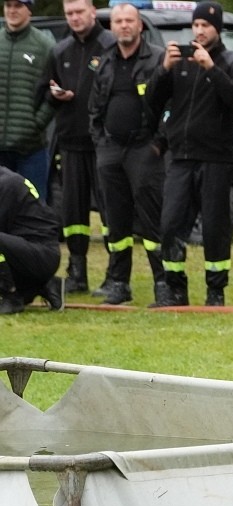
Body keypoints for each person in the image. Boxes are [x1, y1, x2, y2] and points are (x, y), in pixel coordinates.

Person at [147, 1, 233, 307]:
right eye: (196, 25)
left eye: (206, 25)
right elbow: (152, 100)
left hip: (216, 158)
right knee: (170, 224)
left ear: (216, 29)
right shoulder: (179, 61)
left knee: (215, 227)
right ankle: (174, 288)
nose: (199, 30)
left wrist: (211, 68)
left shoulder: (232, 61)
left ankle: (215, 291)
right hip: (180, 156)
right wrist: (164, 68)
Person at [88, 2, 168, 306]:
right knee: (115, 221)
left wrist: (158, 144)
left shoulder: (157, 59)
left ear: (140, 26)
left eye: (129, 21)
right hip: (111, 150)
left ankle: (163, 282)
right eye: (118, 21)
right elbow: (94, 107)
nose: (123, 25)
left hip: (144, 149)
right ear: (112, 27)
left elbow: (168, 106)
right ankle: (118, 283)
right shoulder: (105, 62)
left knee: (152, 219)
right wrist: (100, 143)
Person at [47, 0, 114, 297]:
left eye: (79, 12)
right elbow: (43, 92)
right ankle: (77, 271)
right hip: (71, 142)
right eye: (69, 14)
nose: (74, 18)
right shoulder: (60, 51)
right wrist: (56, 96)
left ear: (92, 11)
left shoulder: (110, 45)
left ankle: (116, 272)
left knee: (111, 210)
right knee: (73, 213)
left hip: (104, 143)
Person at [0, 0, 54, 199]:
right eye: (8, 6)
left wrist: (36, 124)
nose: (12, 11)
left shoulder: (44, 46)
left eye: (18, 6)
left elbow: (55, 91)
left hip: (31, 149)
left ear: (29, 10)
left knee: (33, 206)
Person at [0, 166, 62, 314]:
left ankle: (11, 295)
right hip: (25, 251)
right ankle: (39, 285)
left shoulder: (7, 184)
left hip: (41, 253)